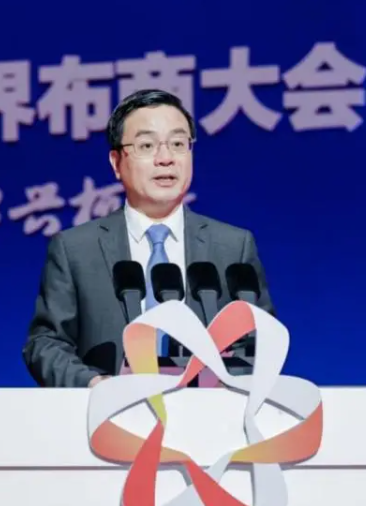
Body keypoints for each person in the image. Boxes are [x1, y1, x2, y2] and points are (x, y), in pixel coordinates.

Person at [22, 89, 275, 388]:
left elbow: (263, 339)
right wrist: (95, 384)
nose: (165, 159)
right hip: (111, 412)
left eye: (178, 144)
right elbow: (45, 343)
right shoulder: (75, 249)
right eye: (147, 145)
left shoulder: (233, 246)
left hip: (210, 413)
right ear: (116, 162)